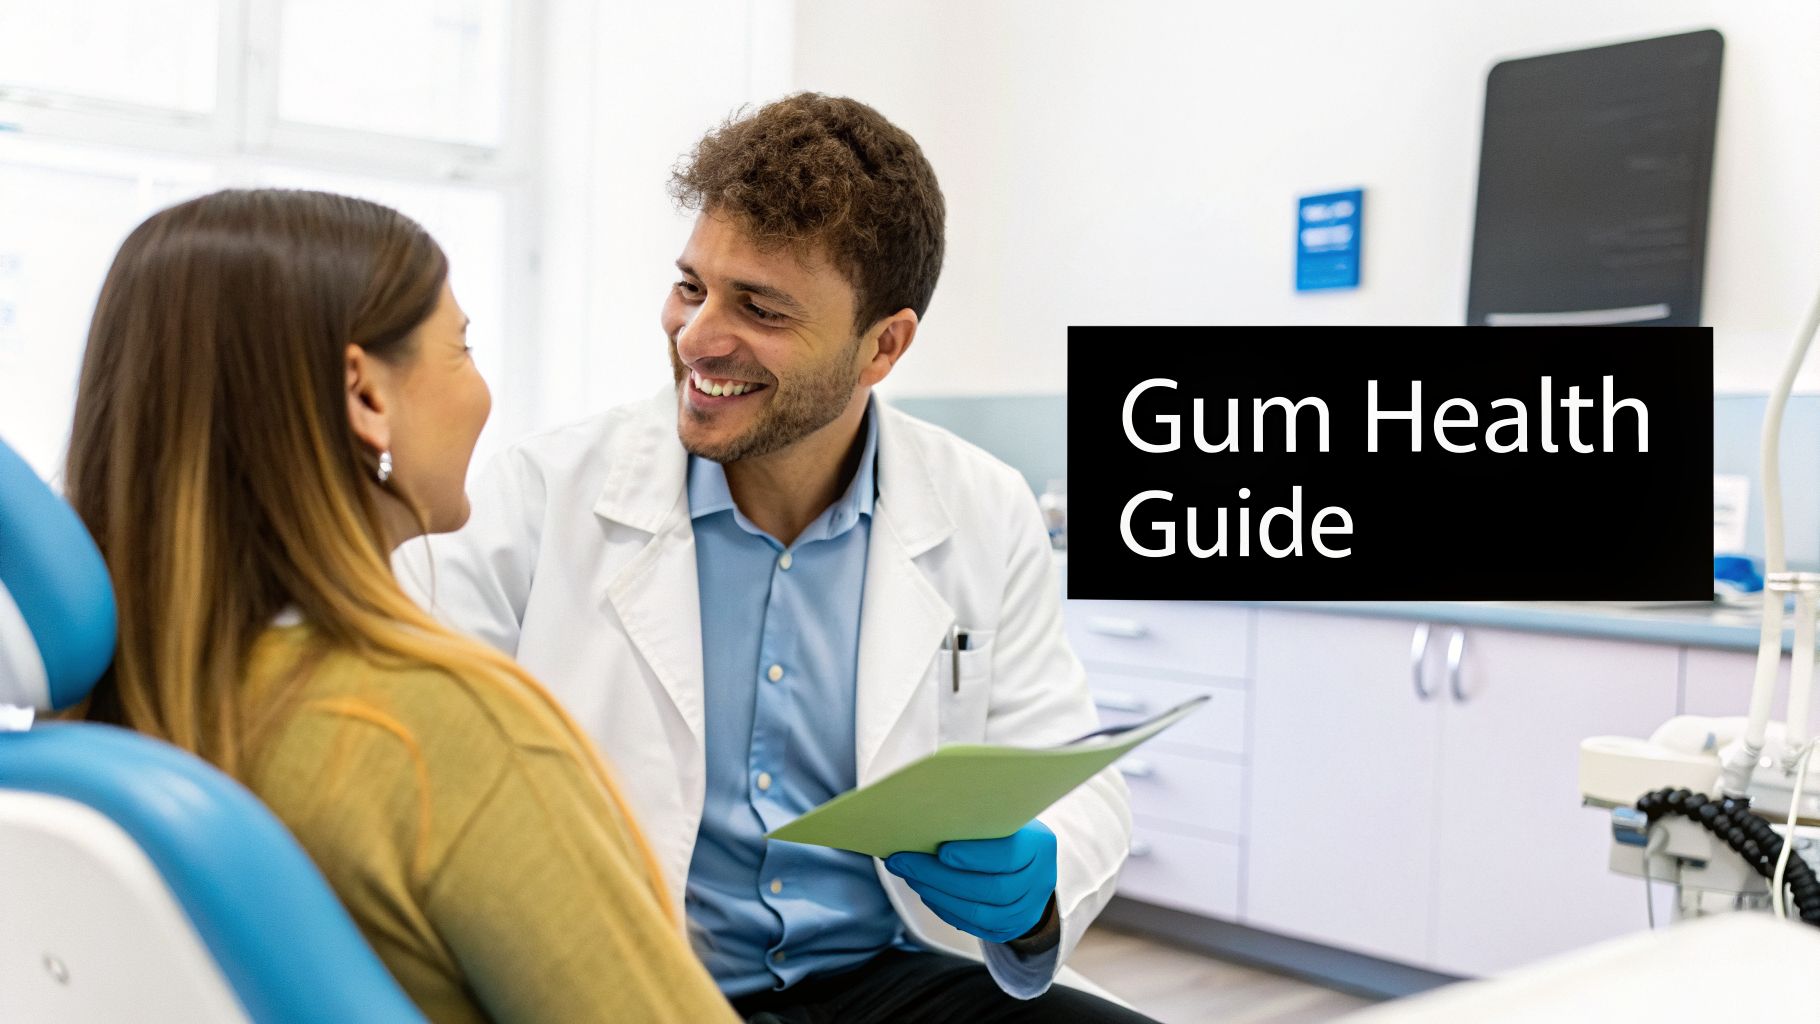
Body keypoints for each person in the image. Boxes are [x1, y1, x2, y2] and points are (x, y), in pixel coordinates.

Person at [398, 94, 1149, 1022]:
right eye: (691, 286)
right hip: (642, 989)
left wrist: (1041, 878)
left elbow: (1069, 764)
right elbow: (407, 761)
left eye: (759, 308)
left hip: (887, 973)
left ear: (884, 346)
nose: (697, 336)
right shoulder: (538, 500)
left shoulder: (981, 508)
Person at [62, 188, 737, 1024]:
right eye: (461, 347)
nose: (480, 387)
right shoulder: (437, 735)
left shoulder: (83, 729)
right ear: (367, 397)